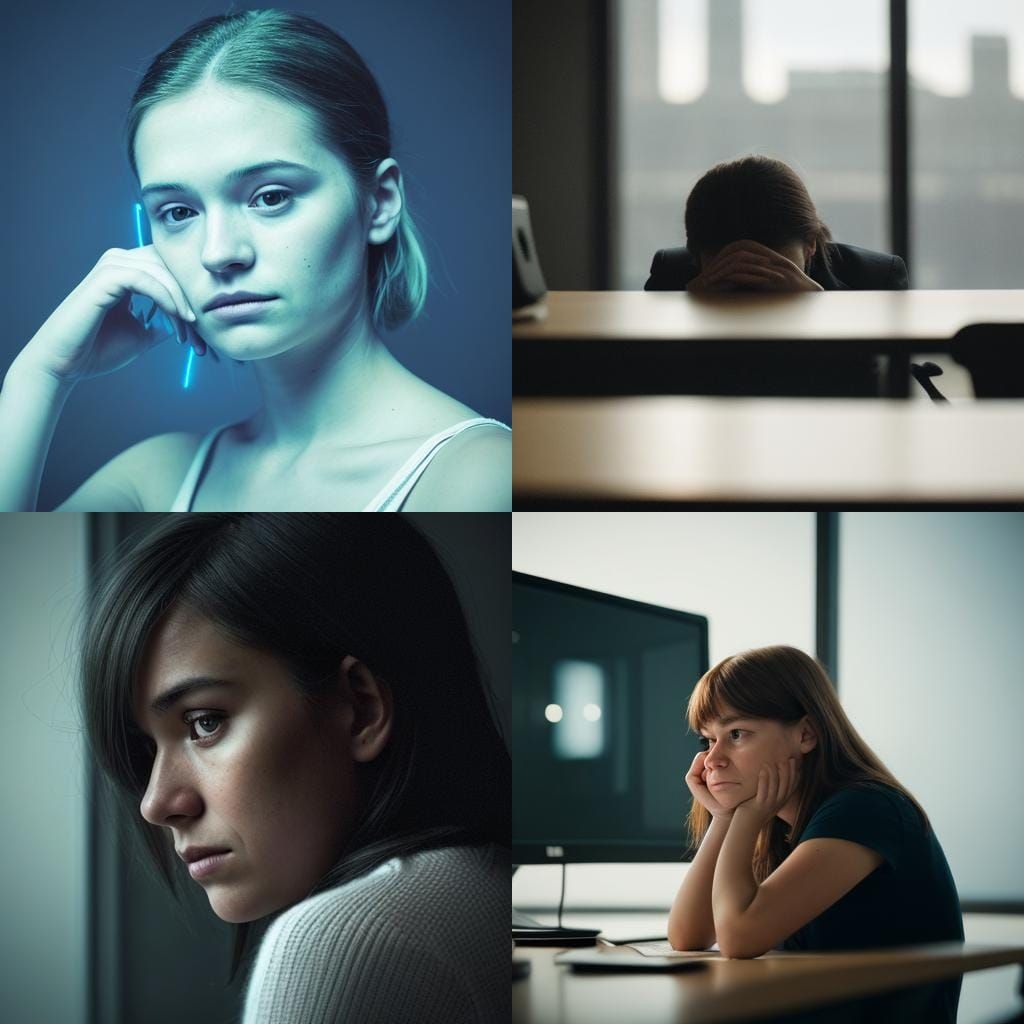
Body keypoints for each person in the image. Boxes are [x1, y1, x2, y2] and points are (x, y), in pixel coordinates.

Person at [0, 10, 510, 511]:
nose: (219, 252)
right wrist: (39, 376)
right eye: (178, 211)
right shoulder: (156, 477)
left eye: (270, 197)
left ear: (379, 202)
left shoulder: (480, 476)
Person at [80, 514, 509, 1022]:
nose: (157, 804)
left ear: (362, 707)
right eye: (147, 749)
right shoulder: (498, 894)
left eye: (204, 722)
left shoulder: (345, 943)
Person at [668, 645, 962, 1024]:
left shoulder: (864, 809)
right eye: (708, 740)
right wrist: (723, 818)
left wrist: (745, 819)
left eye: (737, 733)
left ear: (806, 734)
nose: (712, 760)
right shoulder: (785, 827)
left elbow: (739, 937)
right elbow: (687, 936)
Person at [644, 155, 909, 293]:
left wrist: (820, 308)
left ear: (811, 246)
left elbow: (887, 386)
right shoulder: (671, 275)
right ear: (696, 256)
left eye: (775, 267)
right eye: (731, 269)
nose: (754, 283)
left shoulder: (874, 278)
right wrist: (687, 311)